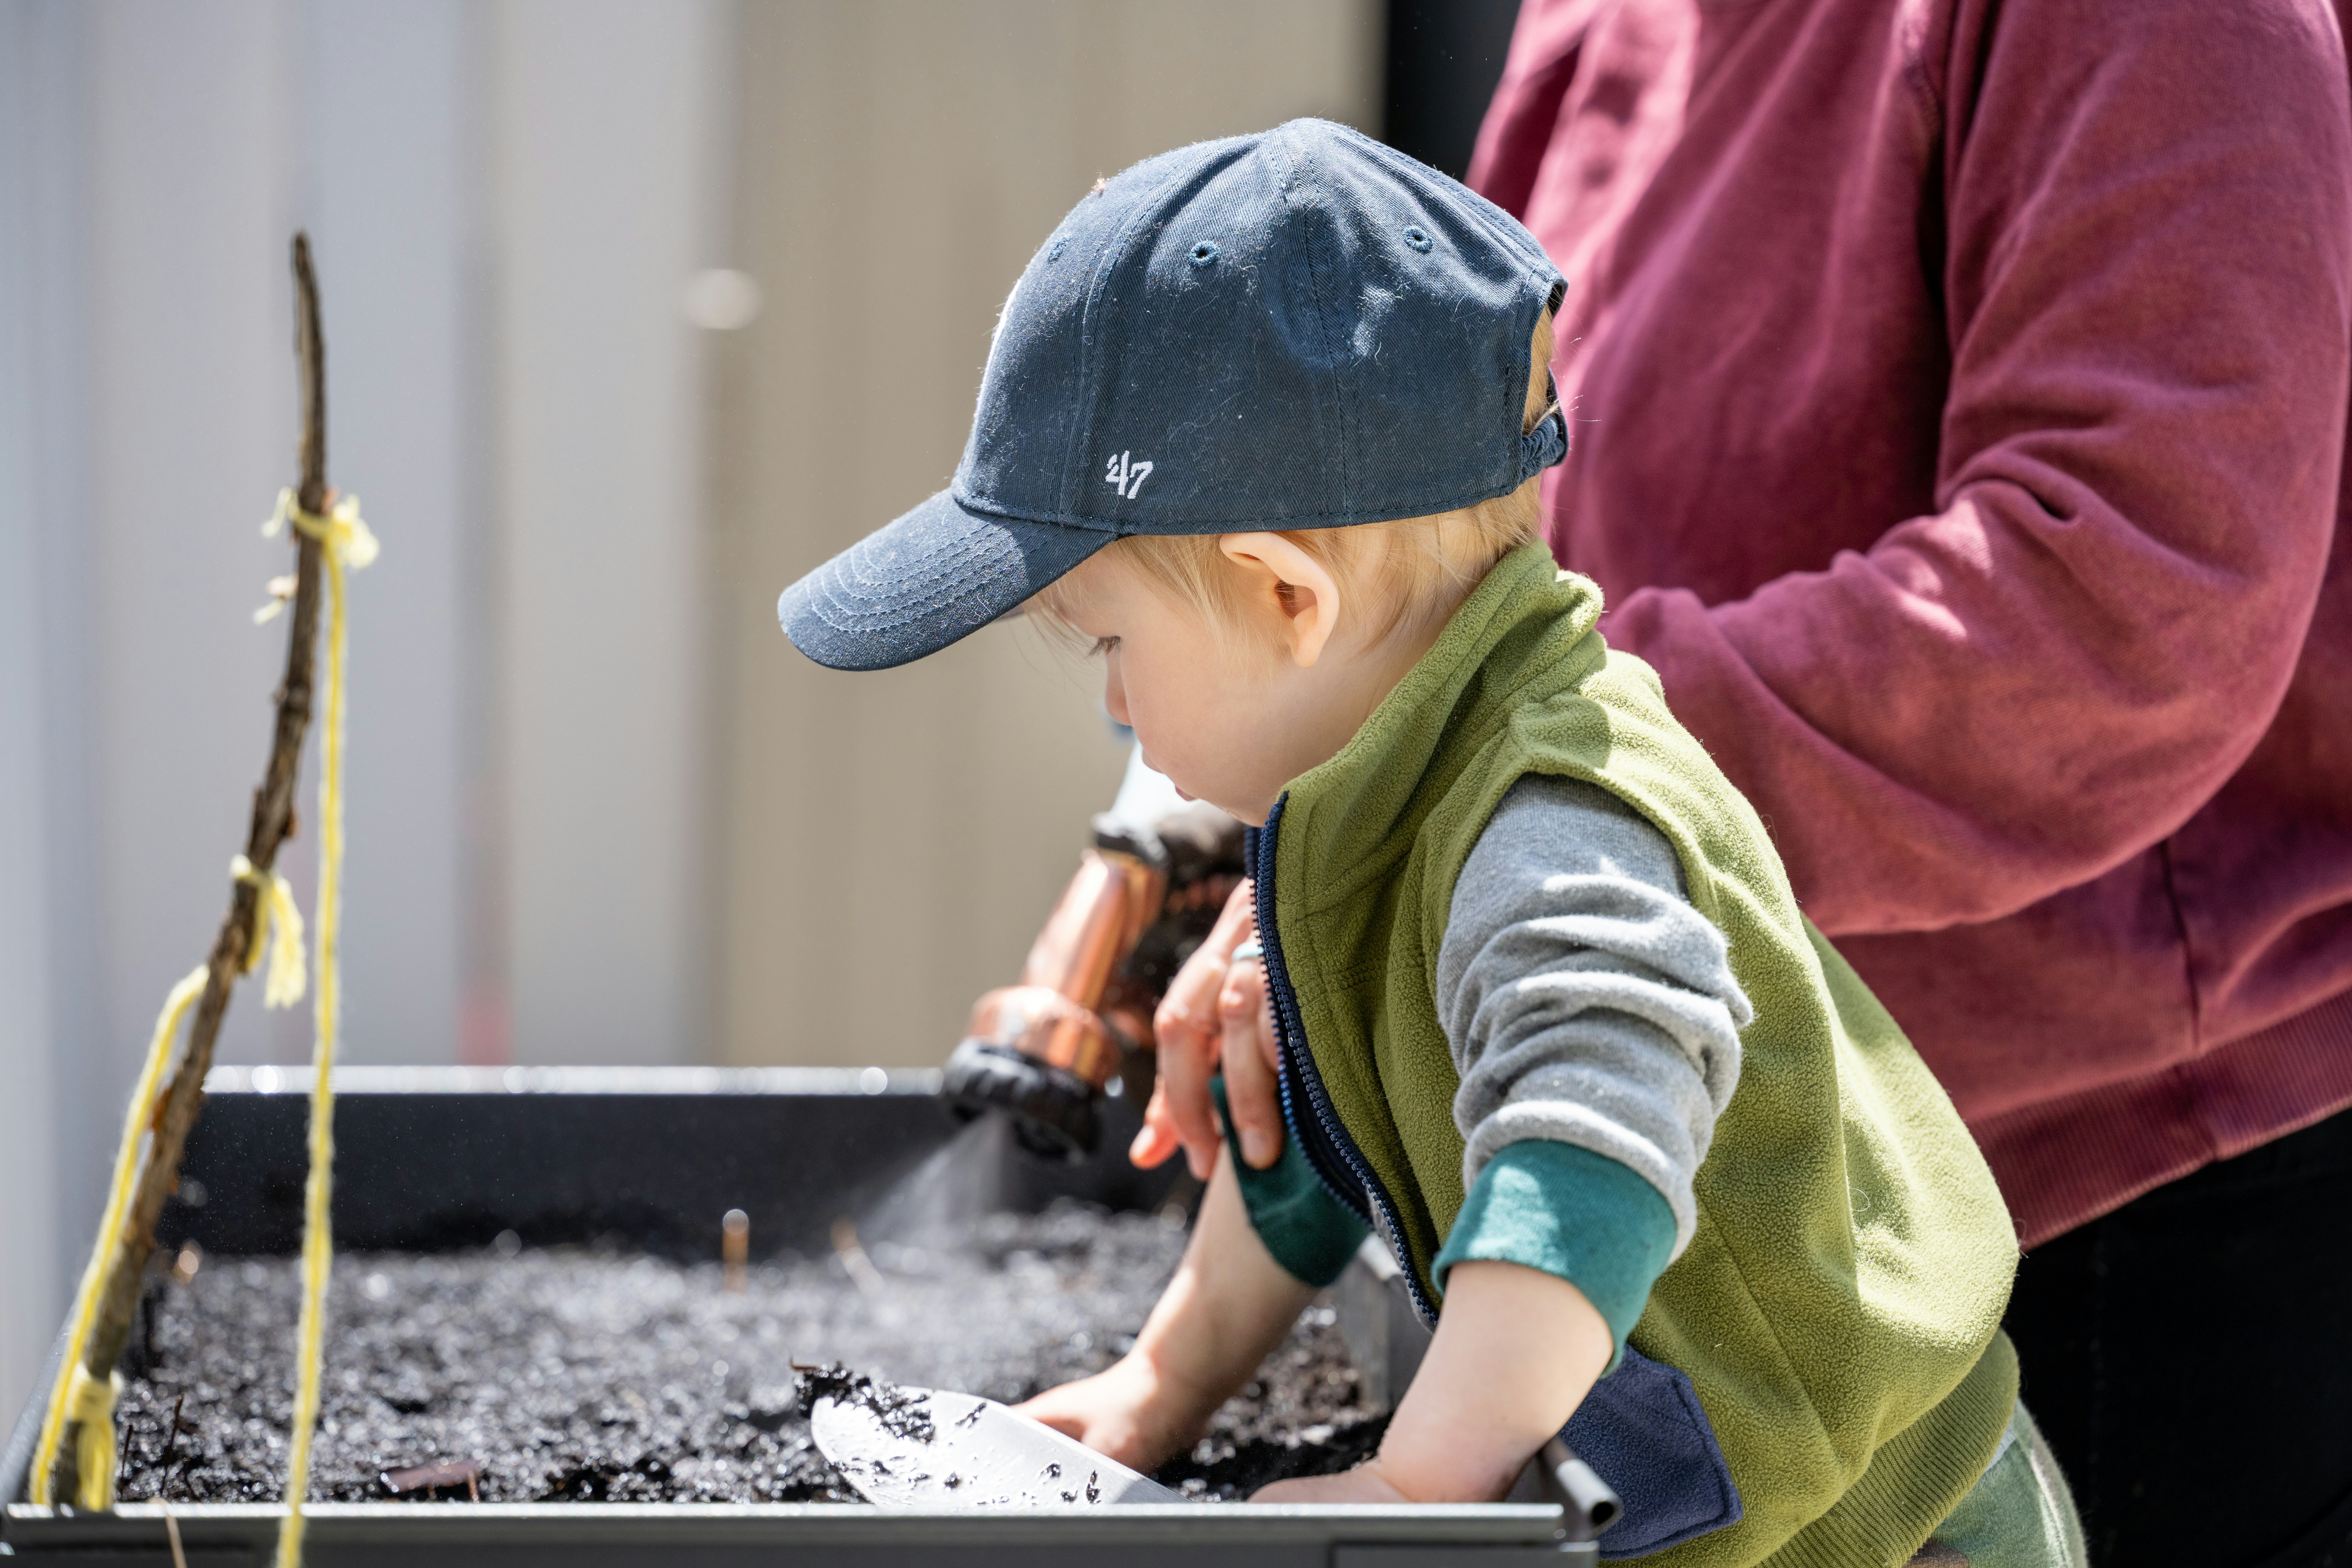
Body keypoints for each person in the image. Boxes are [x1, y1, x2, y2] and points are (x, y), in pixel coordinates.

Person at [1141, 6, 2352, 1562]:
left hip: (2112, 1230)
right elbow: (1465, 531)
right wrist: (1195, 808)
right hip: (1707, 1205)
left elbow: (2114, 601)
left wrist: (1464, 801)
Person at [779, 119, 2079, 1565]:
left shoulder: (1546, 816)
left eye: (1111, 645)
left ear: (1286, 599)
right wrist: (1166, 1384)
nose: (1118, 705)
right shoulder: (1373, 787)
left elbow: (1590, 1151)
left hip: (1877, 1529)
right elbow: (1325, 1150)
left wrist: (1421, 1490)